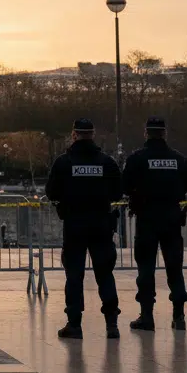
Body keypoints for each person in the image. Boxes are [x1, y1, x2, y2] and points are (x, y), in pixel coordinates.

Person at [46, 118, 124, 340]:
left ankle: (74, 323)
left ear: (74, 135)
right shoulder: (107, 163)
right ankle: (111, 323)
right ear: (93, 134)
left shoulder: (63, 163)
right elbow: (118, 192)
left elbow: (51, 191)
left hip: (74, 224)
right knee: (105, 274)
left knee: (74, 275)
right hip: (101, 224)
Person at [123, 117, 187, 331]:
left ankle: (147, 316)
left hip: (147, 218)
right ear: (164, 133)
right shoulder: (178, 159)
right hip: (172, 217)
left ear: (146, 133)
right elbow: (184, 186)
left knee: (145, 268)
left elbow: (125, 185)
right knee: (174, 267)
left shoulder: (137, 159)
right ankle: (179, 316)